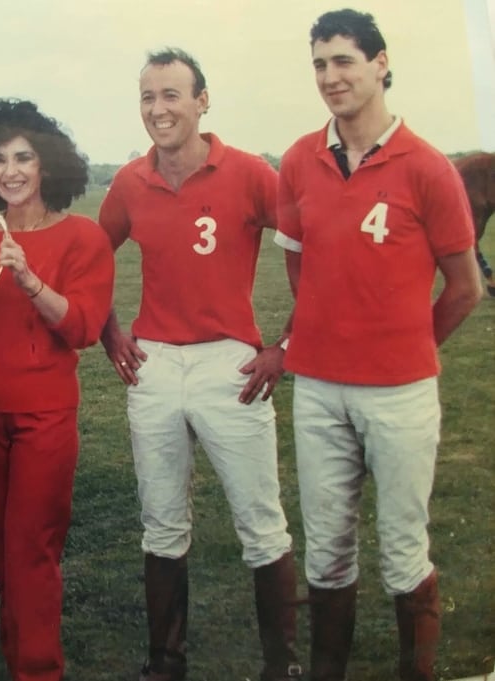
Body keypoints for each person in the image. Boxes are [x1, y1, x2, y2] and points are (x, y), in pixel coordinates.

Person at [275, 10, 483, 681]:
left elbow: (464, 287)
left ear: (381, 63)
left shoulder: (426, 167)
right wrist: (327, 332)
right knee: (327, 553)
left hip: (400, 392)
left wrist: (403, 345)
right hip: (318, 388)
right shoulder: (299, 160)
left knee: (402, 551)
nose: (330, 77)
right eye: (319, 64)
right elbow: (300, 264)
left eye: (343, 61)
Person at [98, 48, 302, 681]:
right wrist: (110, 334)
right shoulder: (130, 180)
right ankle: (166, 663)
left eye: (171, 95)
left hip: (231, 366)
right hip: (155, 366)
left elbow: (314, 254)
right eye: (148, 98)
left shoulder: (248, 172)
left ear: (202, 100)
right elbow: (88, 260)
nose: (158, 109)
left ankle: (280, 665)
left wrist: (283, 346)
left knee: (262, 525)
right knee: (160, 525)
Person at [0, 98, 114, 681]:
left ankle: (39, 671)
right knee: (4, 560)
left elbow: (83, 330)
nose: (11, 170)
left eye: (23, 157)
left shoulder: (82, 237)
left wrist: (28, 278)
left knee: (32, 556)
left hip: (43, 420)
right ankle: (18, 662)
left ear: (47, 164)